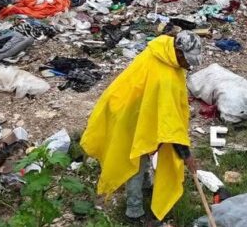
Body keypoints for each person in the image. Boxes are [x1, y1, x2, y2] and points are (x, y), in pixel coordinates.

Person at [80, 33, 203, 226]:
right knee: (135, 160)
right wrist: (186, 155)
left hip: (127, 104)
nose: (189, 66)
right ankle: (134, 212)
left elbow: (167, 117)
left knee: (144, 151)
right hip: (129, 115)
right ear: (178, 52)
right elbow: (171, 127)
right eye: (188, 61)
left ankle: (146, 185)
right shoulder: (166, 78)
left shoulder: (161, 50)